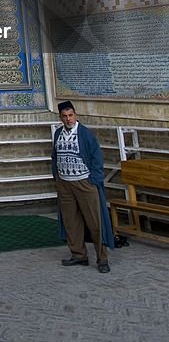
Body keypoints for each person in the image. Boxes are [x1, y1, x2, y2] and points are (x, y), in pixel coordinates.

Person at [51, 100, 114, 274]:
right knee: (71, 221)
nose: (68, 119)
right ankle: (79, 254)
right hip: (65, 183)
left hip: (84, 182)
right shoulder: (58, 134)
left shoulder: (85, 134)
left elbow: (96, 158)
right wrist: (57, 176)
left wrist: (94, 179)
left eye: (70, 115)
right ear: (60, 117)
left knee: (95, 222)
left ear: (75, 115)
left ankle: (102, 258)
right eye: (64, 116)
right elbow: (54, 156)